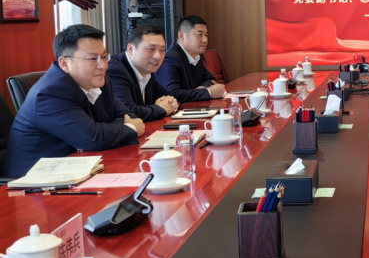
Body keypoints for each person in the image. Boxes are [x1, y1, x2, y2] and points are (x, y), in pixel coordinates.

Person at [4, 25, 145, 178]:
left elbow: (128, 116)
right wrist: (130, 127)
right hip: (35, 181)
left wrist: (108, 128)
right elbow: (93, 138)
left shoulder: (101, 82)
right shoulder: (50, 93)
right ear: (64, 63)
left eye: (104, 57)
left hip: (79, 169)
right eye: (93, 59)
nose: (103, 65)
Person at [108, 25, 180, 122]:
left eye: (162, 50)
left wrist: (171, 103)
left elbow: (172, 97)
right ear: (131, 49)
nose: (158, 56)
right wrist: (161, 109)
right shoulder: (116, 71)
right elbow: (128, 113)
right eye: (151, 49)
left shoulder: (147, 70)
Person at [155, 15, 226, 103]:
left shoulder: (197, 56)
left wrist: (200, 89)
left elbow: (210, 80)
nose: (205, 40)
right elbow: (171, 94)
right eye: (199, 35)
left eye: (206, 35)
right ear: (182, 36)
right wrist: (208, 92)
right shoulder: (169, 59)